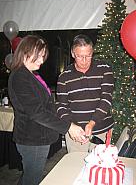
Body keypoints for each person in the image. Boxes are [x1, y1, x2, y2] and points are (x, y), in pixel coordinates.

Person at [8, 34, 87, 185]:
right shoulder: (20, 76)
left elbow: (47, 103)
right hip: (32, 139)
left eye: (43, 56)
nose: (41, 60)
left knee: (29, 175)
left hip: (38, 137)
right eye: (37, 56)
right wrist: (68, 127)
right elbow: (36, 112)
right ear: (24, 53)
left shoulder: (32, 74)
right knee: (32, 179)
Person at [56, 34, 114, 153]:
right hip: (76, 134)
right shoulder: (64, 76)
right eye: (80, 56)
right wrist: (72, 126)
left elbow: (106, 99)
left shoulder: (104, 69)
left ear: (92, 52)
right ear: (72, 54)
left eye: (88, 56)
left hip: (101, 130)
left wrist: (92, 123)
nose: (84, 60)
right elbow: (61, 106)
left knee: (99, 167)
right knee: (76, 168)